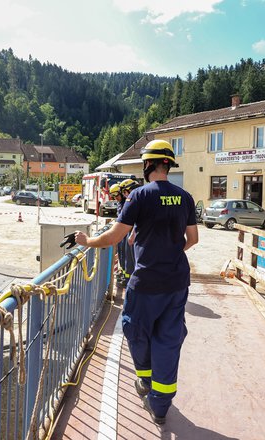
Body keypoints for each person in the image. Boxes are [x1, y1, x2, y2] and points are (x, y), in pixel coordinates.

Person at [75, 140, 198, 425]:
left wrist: (87, 241)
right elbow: (192, 240)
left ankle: (144, 379)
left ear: (147, 165)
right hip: (177, 280)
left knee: (135, 330)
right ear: (168, 164)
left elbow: (113, 237)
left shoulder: (139, 196)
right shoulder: (185, 197)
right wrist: (168, 252)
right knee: (169, 338)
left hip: (146, 282)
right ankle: (160, 406)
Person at [118, 178, 140, 286]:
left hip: (134, 237)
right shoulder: (141, 198)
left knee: (133, 261)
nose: (124, 195)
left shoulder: (133, 201)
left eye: (124, 192)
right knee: (130, 261)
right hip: (132, 235)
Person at [108, 182, 127, 288]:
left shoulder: (126, 203)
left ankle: (126, 277)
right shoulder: (120, 203)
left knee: (126, 256)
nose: (116, 198)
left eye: (116, 195)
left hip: (126, 233)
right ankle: (123, 273)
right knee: (121, 254)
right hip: (121, 234)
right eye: (113, 196)